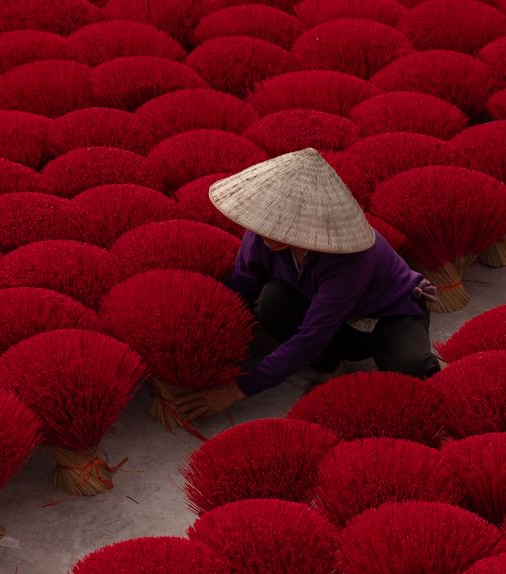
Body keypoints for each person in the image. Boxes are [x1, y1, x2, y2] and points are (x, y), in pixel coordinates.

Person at [175, 148, 440, 421]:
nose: (267, 235)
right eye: (269, 222)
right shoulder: (262, 235)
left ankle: (417, 359)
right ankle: (332, 369)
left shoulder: (350, 259)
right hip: (331, 316)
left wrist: (236, 390)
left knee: (412, 370)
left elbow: (311, 338)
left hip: (388, 314)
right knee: (271, 301)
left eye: (286, 227)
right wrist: (202, 343)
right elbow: (240, 290)